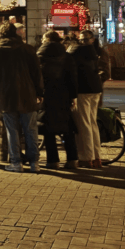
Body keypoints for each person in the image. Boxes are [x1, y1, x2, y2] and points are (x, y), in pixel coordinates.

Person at [0, 21, 43, 173]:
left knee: (12, 131)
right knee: (30, 129)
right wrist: (39, 92)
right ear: (15, 33)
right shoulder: (28, 49)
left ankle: (16, 162)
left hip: (7, 95)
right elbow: (37, 73)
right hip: (28, 94)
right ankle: (34, 162)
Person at [37, 31, 79, 169]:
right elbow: (72, 77)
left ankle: (53, 161)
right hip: (63, 95)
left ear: (47, 39)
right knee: (67, 128)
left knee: (48, 128)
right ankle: (73, 159)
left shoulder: (39, 56)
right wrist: (73, 96)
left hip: (46, 95)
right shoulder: (66, 56)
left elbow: (37, 78)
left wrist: (38, 93)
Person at [69, 30, 103, 168]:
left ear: (91, 39)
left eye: (84, 39)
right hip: (96, 88)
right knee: (92, 122)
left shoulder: (76, 50)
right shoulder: (94, 51)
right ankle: (96, 157)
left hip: (83, 89)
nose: (82, 42)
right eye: (81, 40)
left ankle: (86, 157)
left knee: (84, 123)